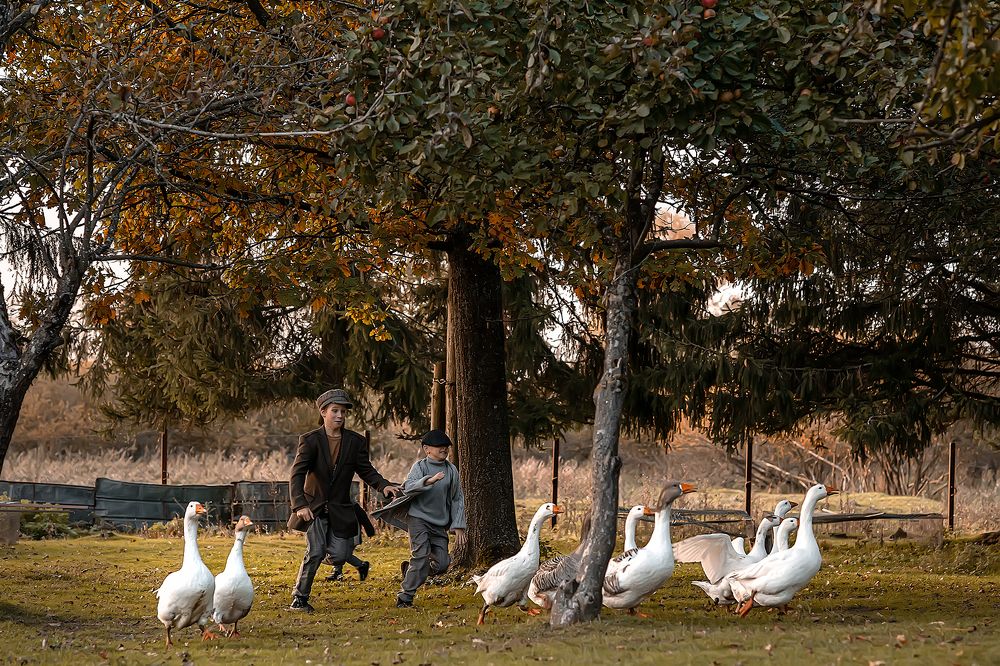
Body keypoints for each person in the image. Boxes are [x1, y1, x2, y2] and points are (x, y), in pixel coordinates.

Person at [287, 388, 401, 612]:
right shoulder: (310, 441)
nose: (340, 416)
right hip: (314, 507)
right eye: (335, 411)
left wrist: (384, 485)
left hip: (340, 507)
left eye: (343, 412)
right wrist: (300, 504)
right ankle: (299, 598)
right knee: (316, 551)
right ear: (323, 412)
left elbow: (367, 471)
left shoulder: (355, 442)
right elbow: (297, 474)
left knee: (339, 555)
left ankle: (325, 560)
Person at [395, 429, 466, 608]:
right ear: (427, 449)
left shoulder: (451, 470)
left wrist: (459, 526)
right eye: (439, 446)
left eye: (446, 446)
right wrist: (428, 481)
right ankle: (405, 596)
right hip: (418, 518)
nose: (444, 449)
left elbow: (458, 498)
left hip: (439, 524)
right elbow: (409, 487)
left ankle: (411, 571)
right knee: (420, 555)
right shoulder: (420, 467)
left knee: (443, 563)